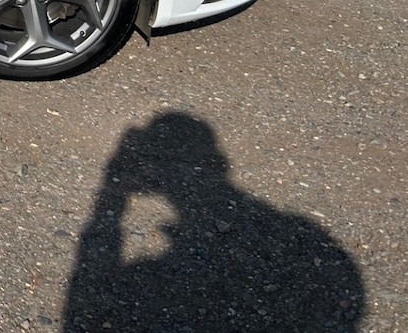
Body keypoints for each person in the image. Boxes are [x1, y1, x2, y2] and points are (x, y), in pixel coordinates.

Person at [63, 112, 362, 333]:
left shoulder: (306, 238)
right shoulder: (312, 241)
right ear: (219, 161)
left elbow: (87, 288)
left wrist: (109, 199)